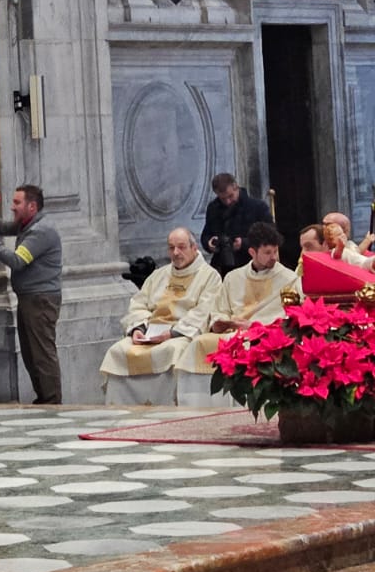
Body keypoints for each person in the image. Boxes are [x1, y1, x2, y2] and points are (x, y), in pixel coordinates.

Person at [173, 223, 298, 397]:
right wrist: (225, 322)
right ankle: (198, 401)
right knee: (197, 344)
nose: (274, 258)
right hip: (233, 330)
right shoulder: (233, 277)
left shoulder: (289, 279)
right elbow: (219, 310)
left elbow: (290, 315)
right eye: (267, 253)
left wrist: (255, 325)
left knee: (244, 346)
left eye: (275, 251)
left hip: (262, 334)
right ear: (252, 253)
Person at [99, 228, 220, 406]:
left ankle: (168, 411)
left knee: (173, 352)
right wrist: (139, 328)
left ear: (194, 248)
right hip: (150, 332)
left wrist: (171, 333)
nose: (176, 253)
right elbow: (139, 304)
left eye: (181, 247)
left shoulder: (210, 277)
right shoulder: (159, 275)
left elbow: (204, 311)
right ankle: (122, 412)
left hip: (180, 334)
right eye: (171, 248)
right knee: (117, 352)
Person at [0, 184, 62, 405]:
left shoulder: (41, 231)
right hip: (30, 298)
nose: (12, 207)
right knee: (30, 353)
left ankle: (52, 403)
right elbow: (7, 227)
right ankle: (43, 398)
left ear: (32, 206)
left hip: (40, 300)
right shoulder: (28, 224)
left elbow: (17, 260)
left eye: (17, 203)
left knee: (42, 355)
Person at [197, 173, 272, 277]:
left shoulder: (258, 207)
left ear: (236, 187)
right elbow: (206, 235)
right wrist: (209, 244)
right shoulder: (213, 209)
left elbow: (270, 236)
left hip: (252, 265)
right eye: (223, 198)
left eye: (230, 196)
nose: (228, 201)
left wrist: (244, 243)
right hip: (222, 266)